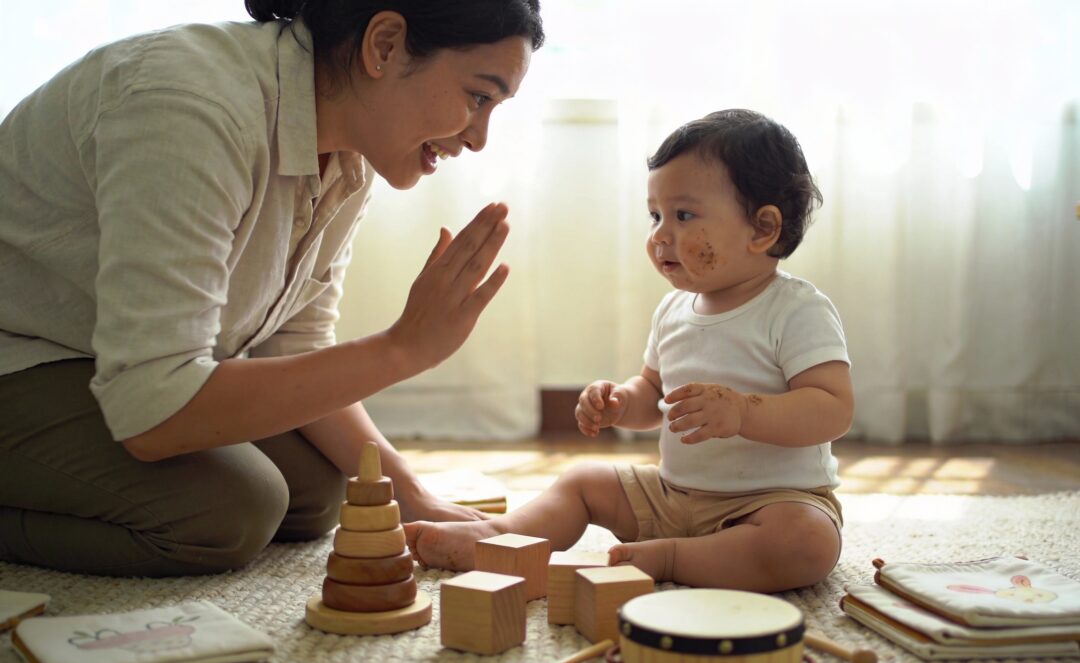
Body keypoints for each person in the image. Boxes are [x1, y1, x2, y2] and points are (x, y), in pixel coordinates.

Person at [0, 1, 544, 577]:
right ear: (384, 45)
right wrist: (402, 348)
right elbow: (151, 410)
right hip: (24, 357)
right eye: (479, 97)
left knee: (323, 486)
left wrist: (409, 493)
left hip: (97, 359)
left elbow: (295, 340)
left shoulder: (351, 143)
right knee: (231, 507)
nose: (480, 138)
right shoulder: (190, 108)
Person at [406, 109, 854, 593]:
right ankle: (499, 537)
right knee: (583, 481)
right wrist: (620, 401)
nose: (660, 234)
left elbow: (833, 409)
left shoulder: (796, 309)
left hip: (771, 503)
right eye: (655, 215)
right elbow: (653, 394)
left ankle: (670, 559)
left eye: (683, 216)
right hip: (671, 496)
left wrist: (743, 412)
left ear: (762, 229)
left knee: (807, 543)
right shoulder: (673, 310)